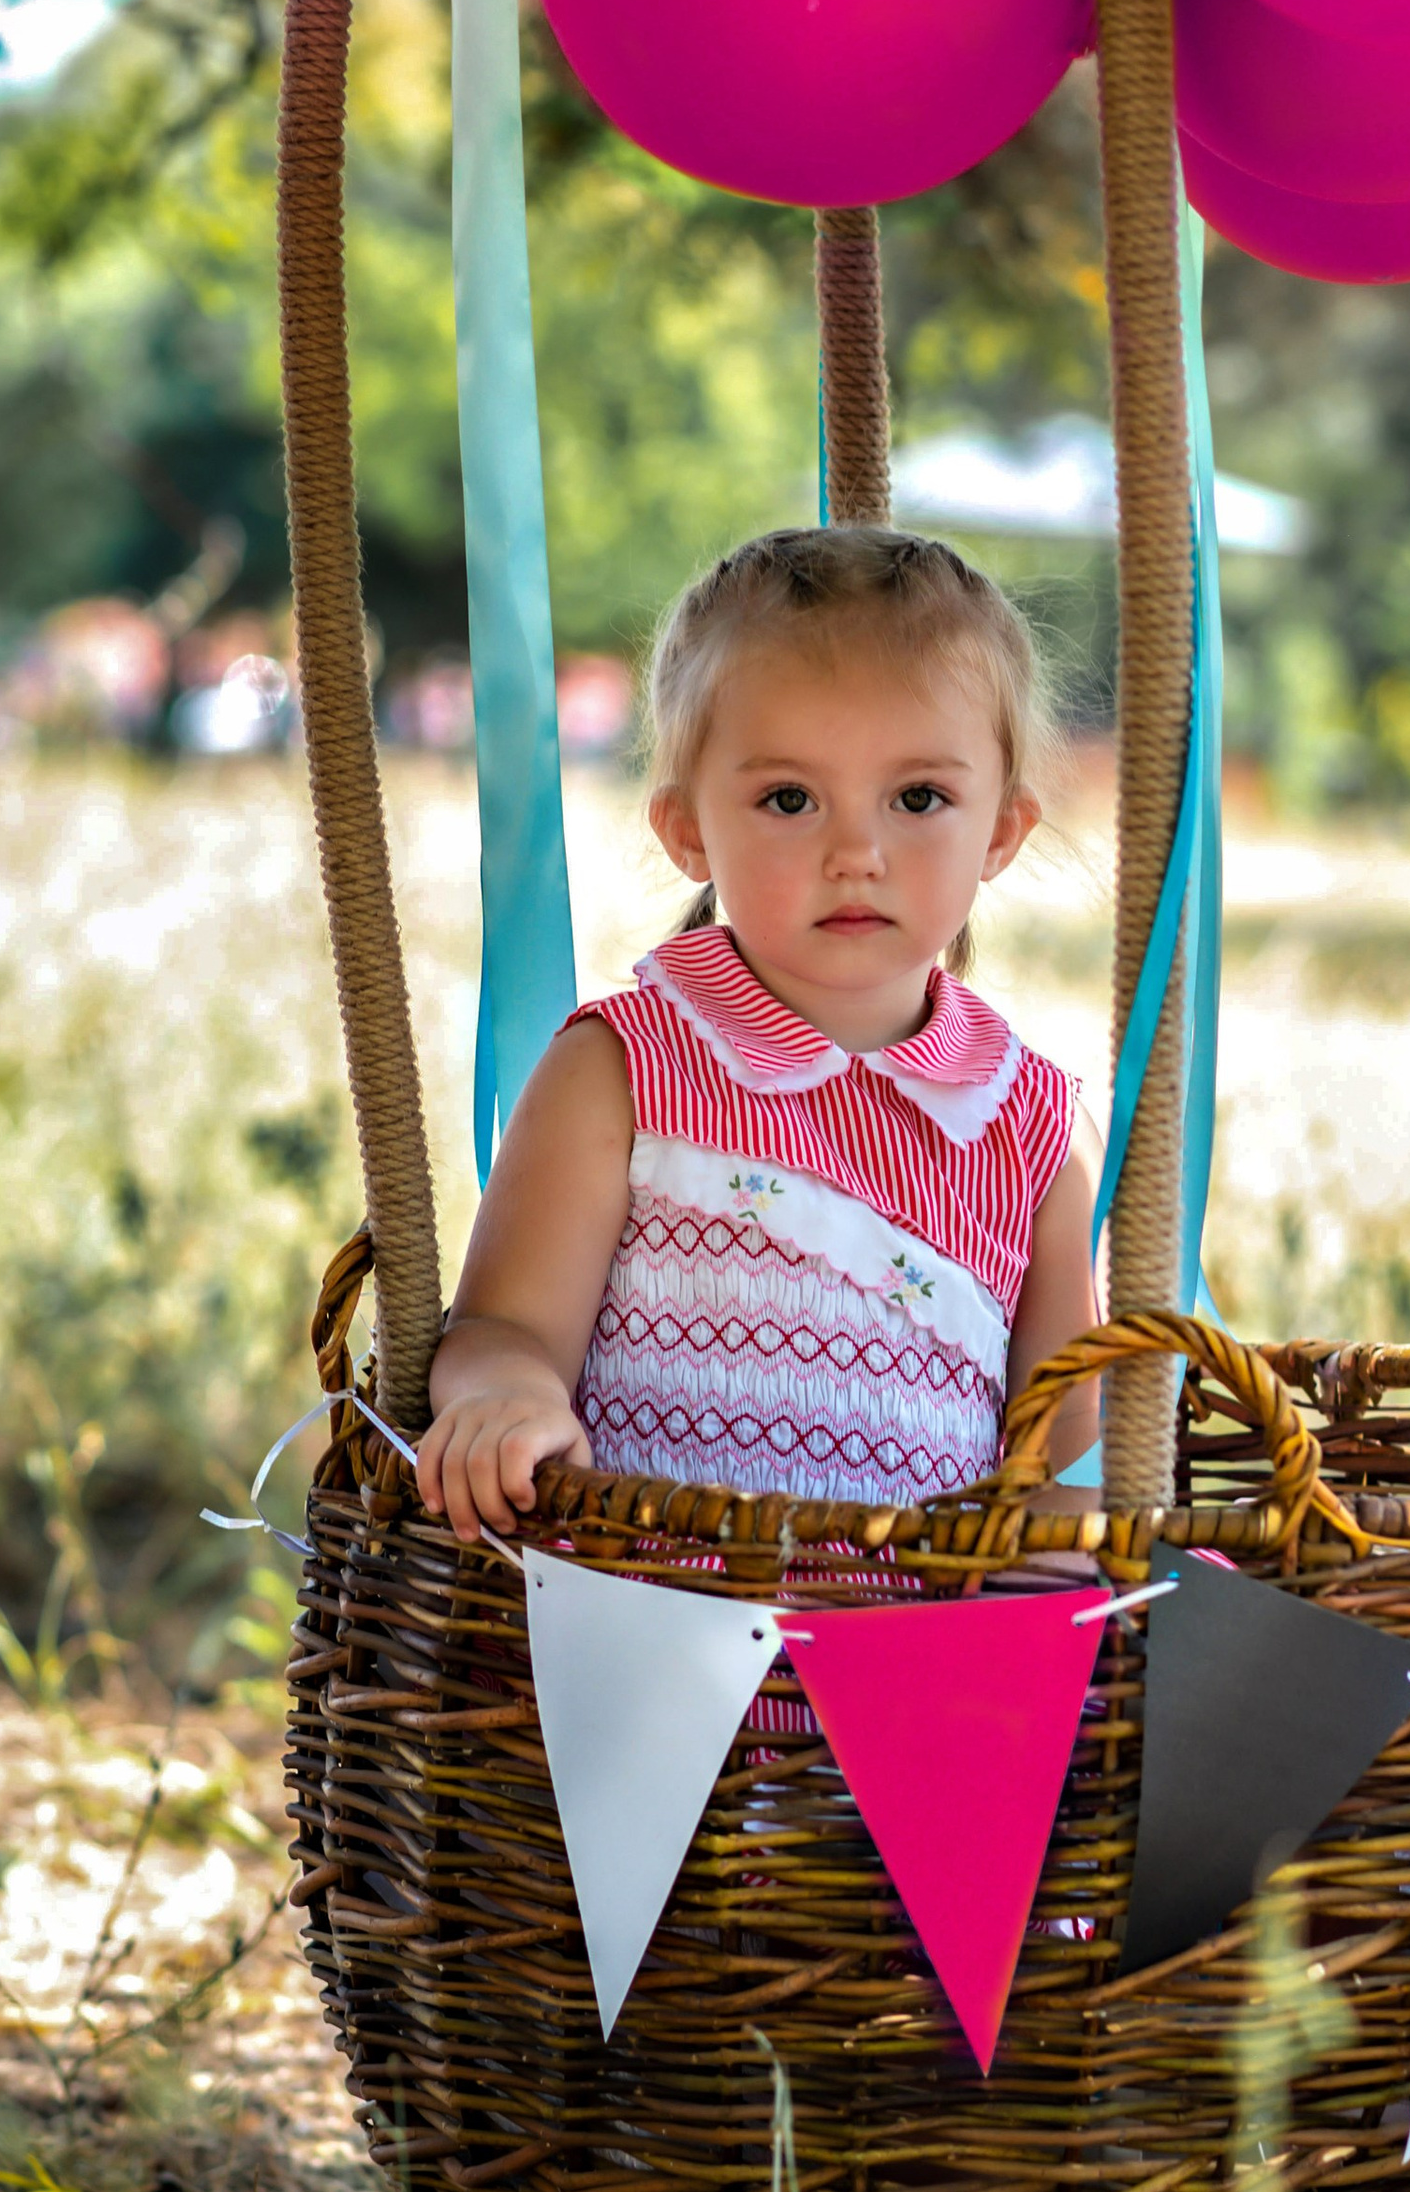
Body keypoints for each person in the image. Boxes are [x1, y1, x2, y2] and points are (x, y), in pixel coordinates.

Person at [419, 525, 1102, 1540]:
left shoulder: (1032, 1126)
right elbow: (499, 1325)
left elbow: (1065, 1452)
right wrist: (505, 1396)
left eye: (918, 797)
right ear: (687, 828)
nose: (856, 851)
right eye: (790, 798)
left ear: (1001, 829)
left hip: (911, 1633)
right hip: (654, 1615)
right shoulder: (623, 1069)